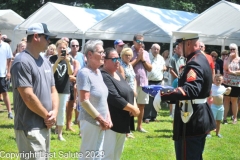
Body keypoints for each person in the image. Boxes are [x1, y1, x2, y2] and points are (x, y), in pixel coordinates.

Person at [154, 32, 216, 160]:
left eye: (179, 44)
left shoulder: (195, 62)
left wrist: (163, 94)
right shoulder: (200, 58)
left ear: (188, 43)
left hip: (192, 119)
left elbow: (190, 90)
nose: (178, 47)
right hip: (197, 115)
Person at [11, 23, 59, 158]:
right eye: (47, 37)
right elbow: (28, 96)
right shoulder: (22, 61)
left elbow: (53, 90)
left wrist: (54, 113)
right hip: (30, 126)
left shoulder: (45, 61)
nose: (49, 41)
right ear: (36, 36)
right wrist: (47, 116)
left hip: (45, 124)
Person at [101, 47, 140, 159]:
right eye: (114, 59)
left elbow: (129, 91)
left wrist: (134, 106)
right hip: (111, 122)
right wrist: (132, 109)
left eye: (118, 58)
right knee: (108, 154)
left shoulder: (117, 74)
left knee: (117, 153)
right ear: (105, 60)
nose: (117, 61)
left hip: (122, 121)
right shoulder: (104, 75)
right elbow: (114, 97)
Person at [77, 40, 112, 159]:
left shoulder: (98, 73)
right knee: (88, 155)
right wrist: (100, 119)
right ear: (90, 55)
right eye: (101, 52)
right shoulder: (84, 73)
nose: (104, 55)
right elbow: (84, 101)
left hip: (101, 122)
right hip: (90, 122)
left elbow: (103, 98)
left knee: (98, 155)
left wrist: (108, 117)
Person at [49, 39, 73, 141]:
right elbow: (51, 71)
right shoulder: (52, 58)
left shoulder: (69, 59)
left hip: (64, 88)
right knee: (51, 109)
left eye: (64, 48)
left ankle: (60, 134)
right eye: (60, 48)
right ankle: (49, 129)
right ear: (56, 48)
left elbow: (70, 73)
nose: (62, 50)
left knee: (62, 110)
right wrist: (58, 60)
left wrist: (67, 62)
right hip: (53, 87)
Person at [130, 34, 152, 133]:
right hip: (131, 82)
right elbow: (127, 65)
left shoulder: (146, 53)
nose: (140, 44)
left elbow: (150, 68)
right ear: (134, 41)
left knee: (141, 105)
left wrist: (142, 59)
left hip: (143, 82)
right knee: (129, 105)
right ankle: (128, 127)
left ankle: (139, 126)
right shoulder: (129, 52)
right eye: (138, 41)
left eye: (142, 42)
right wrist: (137, 59)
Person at [144, 43, 166, 123]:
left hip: (158, 81)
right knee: (148, 100)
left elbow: (164, 67)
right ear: (151, 49)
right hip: (149, 81)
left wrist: (164, 68)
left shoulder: (161, 58)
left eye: (157, 49)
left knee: (157, 99)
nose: (156, 51)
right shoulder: (147, 57)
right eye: (154, 49)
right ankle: (146, 117)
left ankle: (154, 116)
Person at [120, 47, 137, 138]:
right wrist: (130, 91)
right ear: (122, 56)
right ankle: (125, 131)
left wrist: (134, 89)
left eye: (130, 55)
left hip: (132, 91)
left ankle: (128, 130)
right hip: (125, 91)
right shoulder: (121, 66)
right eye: (126, 55)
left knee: (130, 111)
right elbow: (123, 80)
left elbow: (134, 78)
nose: (128, 57)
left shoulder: (130, 65)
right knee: (126, 110)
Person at [222, 43, 240, 124]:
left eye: (234, 49)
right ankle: (224, 118)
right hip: (226, 82)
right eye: (231, 49)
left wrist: (233, 72)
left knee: (234, 100)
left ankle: (235, 118)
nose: (232, 51)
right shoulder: (226, 58)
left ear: (237, 50)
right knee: (226, 99)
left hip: (236, 83)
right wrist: (229, 58)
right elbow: (226, 68)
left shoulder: (239, 59)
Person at [0, 31, 13, 119]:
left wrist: (8, 72)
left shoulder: (6, 46)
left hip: (2, 73)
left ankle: (9, 112)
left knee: (5, 92)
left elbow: (9, 59)